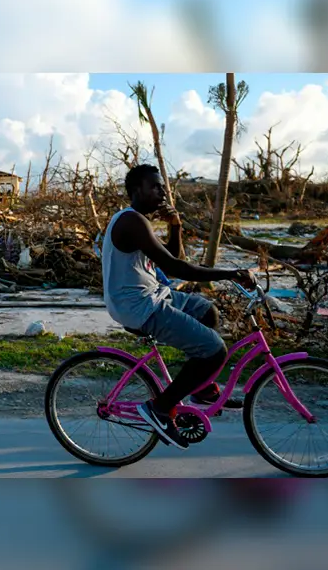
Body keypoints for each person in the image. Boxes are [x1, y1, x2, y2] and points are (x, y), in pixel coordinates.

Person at [102, 164, 257, 449]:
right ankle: (160, 408)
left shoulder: (138, 221)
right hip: (138, 306)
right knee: (215, 351)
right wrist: (229, 273)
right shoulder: (131, 222)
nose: (162, 192)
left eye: (162, 187)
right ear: (137, 190)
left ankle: (201, 389)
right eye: (155, 187)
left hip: (152, 294)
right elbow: (178, 267)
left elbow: (169, 259)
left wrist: (176, 227)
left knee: (206, 311)